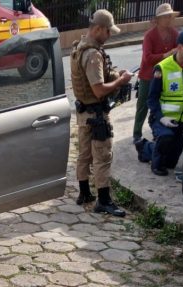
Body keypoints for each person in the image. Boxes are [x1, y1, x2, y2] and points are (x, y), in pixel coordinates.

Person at [70, 9, 134, 216]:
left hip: (83, 114)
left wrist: (115, 73)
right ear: (98, 29)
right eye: (108, 32)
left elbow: (96, 78)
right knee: (102, 157)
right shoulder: (93, 54)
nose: (109, 36)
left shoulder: (79, 46)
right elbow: (98, 89)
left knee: (84, 155)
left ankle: (84, 193)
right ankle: (104, 201)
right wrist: (120, 81)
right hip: (96, 115)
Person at [136, 30, 183, 176]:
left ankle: (145, 148)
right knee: (165, 141)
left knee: (171, 162)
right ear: (180, 47)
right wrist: (161, 117)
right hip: (162, 119)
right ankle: (155, 164)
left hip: (182, 119)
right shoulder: (162, 68)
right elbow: (152, 98)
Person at [133, 3, 179, 143]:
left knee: (161, 106)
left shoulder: (174, 33)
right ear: (157, 19)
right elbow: (147, 58)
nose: (168, 19)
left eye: (169, 16)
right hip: (148, 76)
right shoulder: (150, 35)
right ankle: (137, 134)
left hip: (165, 76)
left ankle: (157, 131)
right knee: (143, 105)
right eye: (165, 17)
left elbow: (178, 49)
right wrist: (166, 55)